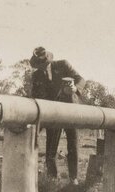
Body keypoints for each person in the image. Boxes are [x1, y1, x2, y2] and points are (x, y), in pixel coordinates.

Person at [29, 47, 85, 183]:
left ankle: (74, 178)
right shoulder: (36, 76)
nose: (42, 67)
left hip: (70, 109)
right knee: (50, 149)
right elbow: (36, 96)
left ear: (48, 60)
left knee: (72, 145)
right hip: (52, 113)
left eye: (43, 64)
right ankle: (52, 179)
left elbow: (81, 79)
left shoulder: (63, 65)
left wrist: (75, 88)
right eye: (39, 65)